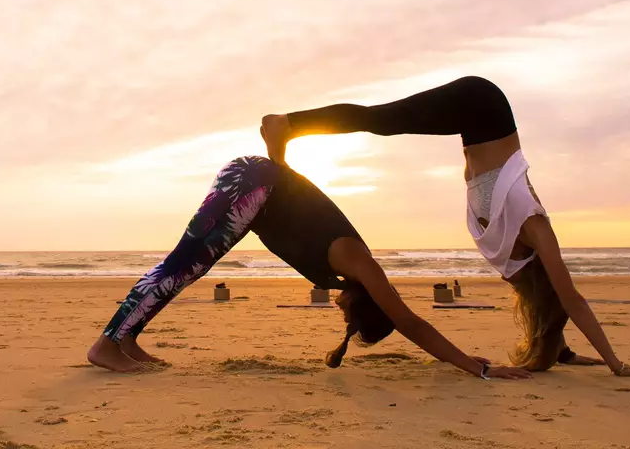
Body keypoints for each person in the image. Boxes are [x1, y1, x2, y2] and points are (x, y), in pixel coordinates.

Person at [260, 75, 630, 377]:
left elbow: (553, 303)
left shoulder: (516, 264)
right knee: (382, 120)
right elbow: (573, 299)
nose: (524, 298)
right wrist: (616, 364)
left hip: (476, 137)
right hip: (484, 104)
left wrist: (560, 349)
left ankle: (291, 125)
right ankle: (288, 123)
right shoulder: (535, 228)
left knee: (383, 121)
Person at [87, 154, 531, 380]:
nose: (339, 310)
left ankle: (127, 339)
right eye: (349, 315)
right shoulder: (360, 264)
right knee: (181, 266)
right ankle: (108, 344)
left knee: (188, 269)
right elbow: (409, 320)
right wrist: (475, 366)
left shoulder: (346, 271)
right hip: (253, 184)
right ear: (365, 302)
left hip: (258, 190)